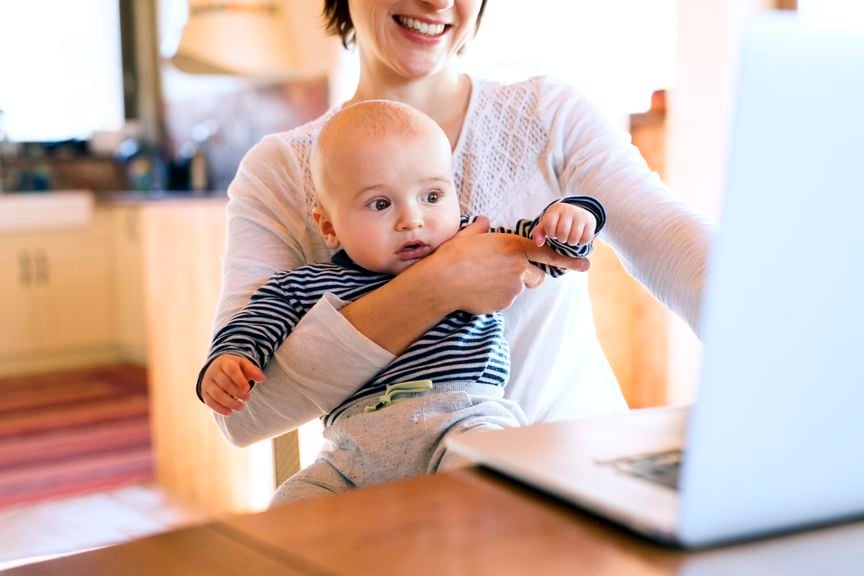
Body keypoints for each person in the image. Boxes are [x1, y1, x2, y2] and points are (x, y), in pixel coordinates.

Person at [204, 0, 713, 496]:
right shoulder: (280, 171)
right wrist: (439, 284)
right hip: (387, 501)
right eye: (378, 205)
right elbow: (243, 412)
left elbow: (676, 245)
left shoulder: (549, 113)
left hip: (582, 476)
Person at [198, 100, 606, 501]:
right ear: (329, 226)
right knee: (290, 509)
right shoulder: (310, 285)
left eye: (431, 197)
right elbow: (258, 319)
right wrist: (230, 358)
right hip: (354, 451)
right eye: (380, 203)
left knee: (492, 486)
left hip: (464, 422)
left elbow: (542, 248)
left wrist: (572, 219)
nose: (412, 219)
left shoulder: (478, 245)